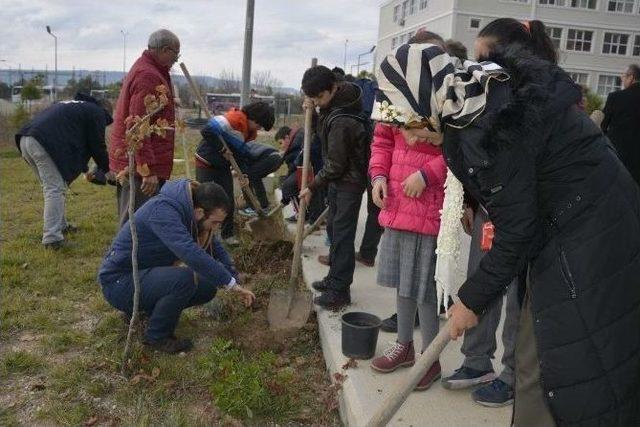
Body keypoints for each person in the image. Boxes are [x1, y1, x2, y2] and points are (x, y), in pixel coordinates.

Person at [374, 18, 640, 426]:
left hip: (591, 234)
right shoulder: (473, 101)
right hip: (580, 220)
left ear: (429, 105)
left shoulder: (488, 126)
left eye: (409, 124)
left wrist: (471, 299)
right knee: (551, 349)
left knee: (564, 354)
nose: (408, 140)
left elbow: (517, 230)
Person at [98, 179, 255, 353]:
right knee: (184, 279)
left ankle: (148, 313)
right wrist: (230, 284)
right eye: (215, 223)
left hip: (142, 276)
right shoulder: (163, 211)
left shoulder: (188, 210)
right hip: (119, 283)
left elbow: (215, 247)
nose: (216, 228)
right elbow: (189, 252)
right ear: (199, 212)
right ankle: (157, 338)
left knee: (207, 286)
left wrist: (234, 277)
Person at [367, 94, 448, 391]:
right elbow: (382, 142)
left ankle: (430, 357)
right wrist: (378, 177)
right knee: (404, 281)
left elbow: (461, 148)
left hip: (428, 204)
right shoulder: (393, 97)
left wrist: (428, 174)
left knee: (425, 287)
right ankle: (404, 345)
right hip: (397, 202)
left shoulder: (445, 97)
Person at [300, 65, 371, 309]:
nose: (318, 103)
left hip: (349, 181)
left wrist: (312, 185)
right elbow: (323, 134)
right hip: (340, 179)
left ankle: (340, 291)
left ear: (333, 88)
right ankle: (333, 279)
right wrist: (315, 112)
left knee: (342, 236)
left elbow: (336, 164)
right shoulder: (334, 107)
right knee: (333, 227)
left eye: (320, 97)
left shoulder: (343, 119)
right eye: (313, 99)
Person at [15, 93, 113, 249]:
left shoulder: (76, 105)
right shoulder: (96, 112)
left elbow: (78, 141)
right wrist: (109, 172)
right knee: (54, 189)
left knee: (54, 186)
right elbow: (97, 146)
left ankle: (61, 226)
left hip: (26, 139)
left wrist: (85, 169)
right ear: (105, 111)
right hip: (42, 141)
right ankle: (52, 238)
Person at [109, 29, 179, 226]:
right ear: (165, 50)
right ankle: (123, 257)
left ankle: (137, 256)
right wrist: (146, 169)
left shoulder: (148, 69)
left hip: (138, 163)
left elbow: (148, 115)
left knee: (142, 220)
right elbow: (137, 124)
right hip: (140, 167)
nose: (176, 60)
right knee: (134, 222)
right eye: (176, 54)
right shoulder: (148, 75)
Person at [194, 101, 275, 245]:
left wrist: (243, 173)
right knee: (204, 200)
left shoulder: (249, 132)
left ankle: (227, 235)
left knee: (228, 200)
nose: (259, 128)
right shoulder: (233, 119)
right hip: (206, 162)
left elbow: (240, 153)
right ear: (254, 118)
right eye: (259, 125)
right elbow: (206, 130)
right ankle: (200, 234)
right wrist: (222, 149)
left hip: (223, 165)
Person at [601, 63, 640, 186]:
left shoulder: (615, 97)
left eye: (623, 76)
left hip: (617, 157)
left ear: (631, 77)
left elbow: (602, 126)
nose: (622, 80)